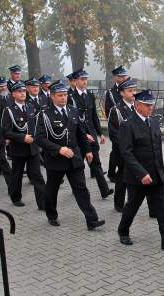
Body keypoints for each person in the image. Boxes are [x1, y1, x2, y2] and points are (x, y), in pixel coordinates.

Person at [117, 89, 164, 253]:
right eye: (147, 105)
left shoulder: (154, 122)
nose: (150, 108)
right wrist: (141, 173)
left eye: (151, 105)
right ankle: (123, 230)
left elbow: (158, 151)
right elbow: (126, 153)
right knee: (132, 206)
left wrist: (160, 173)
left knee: (162, 210)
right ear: (138, 105)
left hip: (155, 175)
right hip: (137, 178)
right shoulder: (128, 125)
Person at [35, 80, 105, 231]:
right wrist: (59, 149)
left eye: (65, 94)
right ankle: (52, 215)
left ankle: (92, 219)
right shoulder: (45, 114)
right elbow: (40, 138)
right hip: (55, 159)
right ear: (52, 96)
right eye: (60, 95)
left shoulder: (73, 111)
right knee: (52, 190)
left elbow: (81, 134)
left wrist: (87, 150)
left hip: (74, 156)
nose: (63, 98)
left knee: (81, 189)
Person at [70, 69, 114, 199]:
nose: (84, 82)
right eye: (82, 79)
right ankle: (77, 188)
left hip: (91, 135)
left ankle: (104, 190)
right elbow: (73, 120)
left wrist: (100, 133)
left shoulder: (89, 95)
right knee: (78, 165)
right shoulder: (70, 97)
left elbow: (93, 115)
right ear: (76, 81)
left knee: (96, 163)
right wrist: (83, 134)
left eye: (85, 79)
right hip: (79, 137)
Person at [1, 81, 45, 208]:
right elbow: (5, 132)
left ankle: (42, 203)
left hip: (33, 148)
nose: (22, 93)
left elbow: (37, 126)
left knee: (37, 175)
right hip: (18, 148)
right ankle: (15, 197)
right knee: (17, 175)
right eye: (19, 91)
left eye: (23, 91)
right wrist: (21, 137)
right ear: (13, 94)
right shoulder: (9, 110)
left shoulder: (31, 107)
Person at [108, 77, 137, 212]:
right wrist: (126, 148)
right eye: (130, 91)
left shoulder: (138, 107)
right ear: (122, 93)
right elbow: (113, 133)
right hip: (123, 151)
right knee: (122, 178)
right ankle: (118, 204)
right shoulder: (116, 110)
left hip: (136, 150)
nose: (133, 93)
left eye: (134, 90)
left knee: (135, 177)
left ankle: (133, 201)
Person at [105, 65, 130, 183]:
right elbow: (108, 110)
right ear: (115, 77)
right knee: (116, 150)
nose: (123, 78)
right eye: (120, 76)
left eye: (124, 76)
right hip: (118, 126)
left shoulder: (129, 89)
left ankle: (113, 172)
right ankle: (112, 173)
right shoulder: (111, 92)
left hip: (128, 125)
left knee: (117, 152)